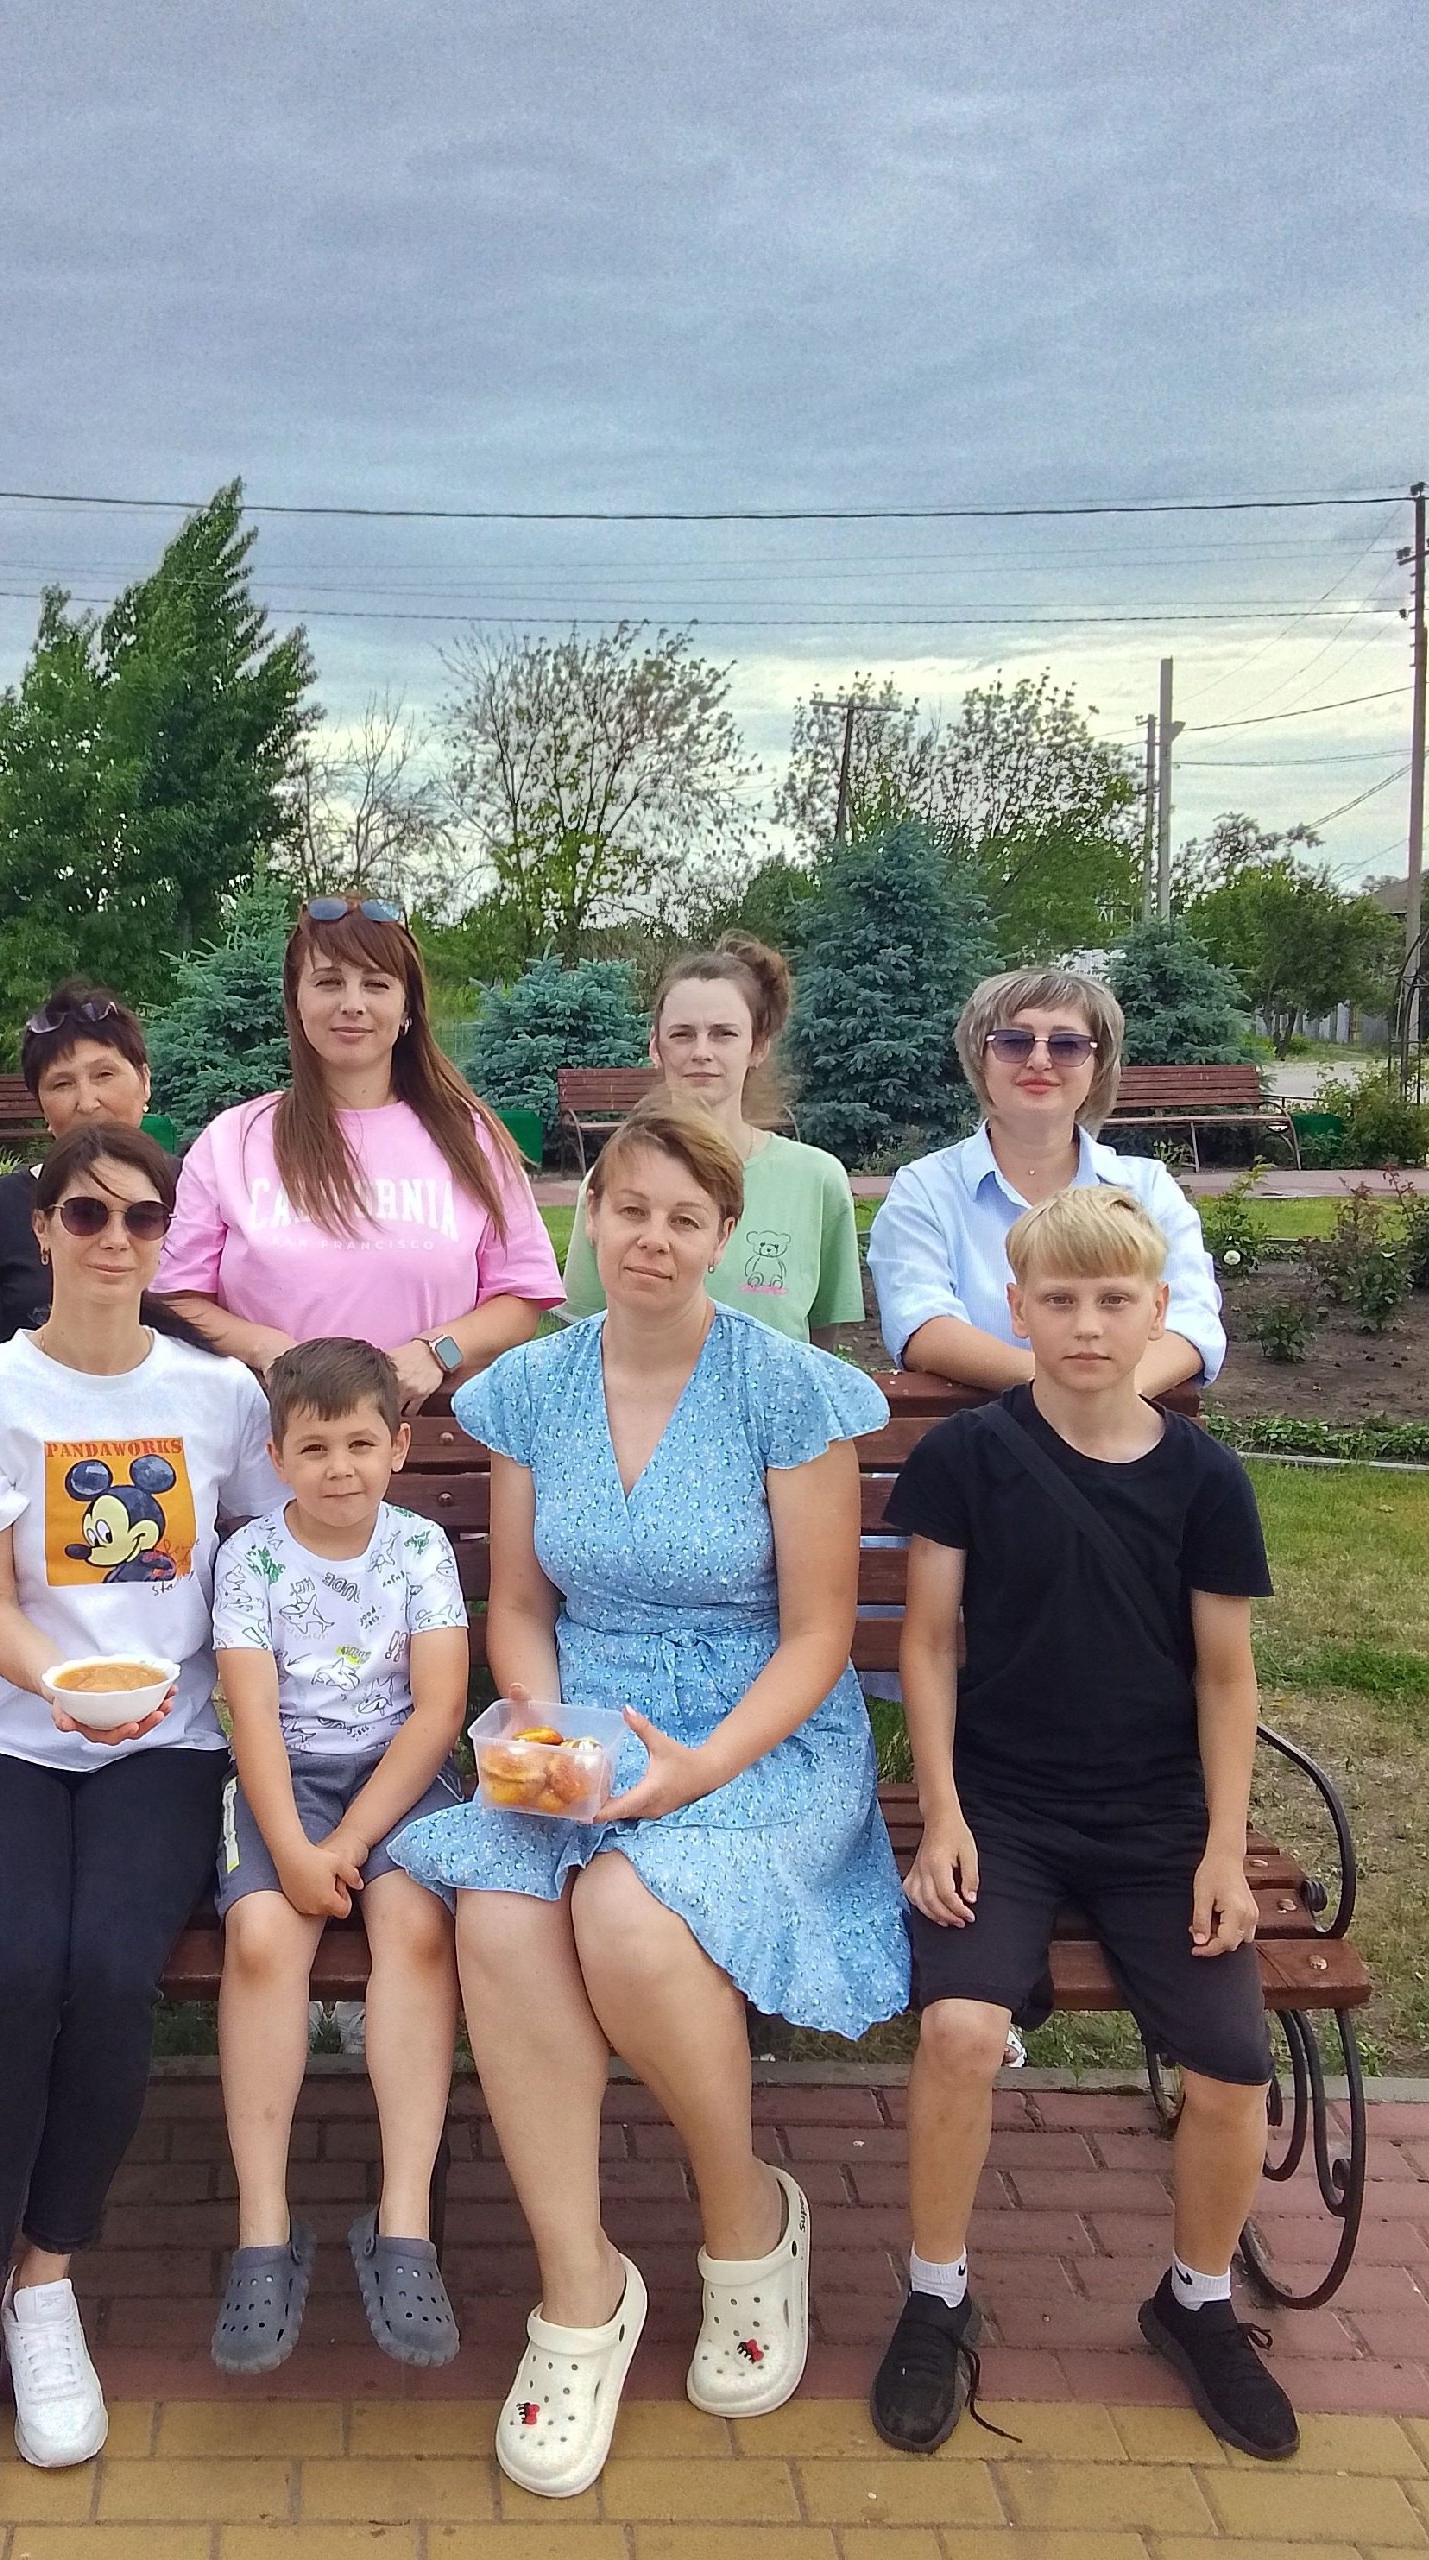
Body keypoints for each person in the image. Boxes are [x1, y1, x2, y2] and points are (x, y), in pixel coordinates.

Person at [394, 1096, 909, 2501]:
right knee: (502, 1916)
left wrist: (699, 1766)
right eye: (630, 1209)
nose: (654, 1240)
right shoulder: (534, 1389)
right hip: (584, 1723)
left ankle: (745, 2224)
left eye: (687, 1219)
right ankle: (581, 2293)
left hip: (754, 1736)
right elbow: (517, 1604)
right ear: (590, 1217)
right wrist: (537, 1724)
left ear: (725, 1236)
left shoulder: (783, 1388)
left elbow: (820, 1634)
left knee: (625, 1915)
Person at [872, 1186, 1293, 2462]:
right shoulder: (968, 1457)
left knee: (1230, 2066)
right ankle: (936, 2292)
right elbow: (927, 1643)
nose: (1088, 1324)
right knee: (959, 2028)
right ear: (1018, 1310)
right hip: (1003, 1802)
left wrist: (1222, 1849)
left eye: (1115, 1299)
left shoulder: (1203, 1478)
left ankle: (1195, 2300)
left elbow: (1225, 1676)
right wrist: (942, 1813)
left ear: (1158, 1309)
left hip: (1159, 1816)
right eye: (1059, 1299)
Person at [0, 1122, 282, 2514]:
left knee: (114, 1972)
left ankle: (46, 2281)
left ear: (165, 1236)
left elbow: (265, 1552)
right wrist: (62, 1685)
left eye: (139, 1217)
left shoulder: (218, 1396)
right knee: (22, 1969)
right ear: (42, 1228)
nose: (113, 1240)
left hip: (168, 1741)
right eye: (85, 1214)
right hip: (8, 1735)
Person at [209, 1337, 470, 2375]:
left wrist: (353, 1840)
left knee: (417, 1931)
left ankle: (401, 2220)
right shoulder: (250, 1558)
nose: (338, 1468)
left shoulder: (418, 1549)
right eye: (313, 1448)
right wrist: (290, 1846)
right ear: (275, 1455)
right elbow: (250, 1713)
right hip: (284, 1779)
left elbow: (439, 1710)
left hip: (399, 1776)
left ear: (398, 1445)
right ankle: (263, 2229)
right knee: (263, 1939)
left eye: (360, 1443)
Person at [157, 895, 562, 1406]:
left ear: (407, 1008)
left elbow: (523, 1295)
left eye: (376, 984)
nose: (353, 1003)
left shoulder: (471, 1138)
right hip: (268, 1436)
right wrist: (265, 1348)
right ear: (296, 1000)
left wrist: (437, 1351)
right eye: (329, 982)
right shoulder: (231, 1141)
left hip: (429, 1438)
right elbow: (175, 1296)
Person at [866, 968, 1223, 1393]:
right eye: (1014, 1042)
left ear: (1098, 1065)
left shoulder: (1147, 1188)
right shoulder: (925, 1189)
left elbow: (1191, 1322)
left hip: (1120, 1427)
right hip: (972, 1430)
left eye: (1067, 1045)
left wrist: (1109, 1400)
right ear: (980, 1059)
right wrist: (1062, 1391)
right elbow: (922, 1324)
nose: (1039, 1060)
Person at [560, 939, 863, 1346]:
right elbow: (581, 1332)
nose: (701, 1052)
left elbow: (821, 1344)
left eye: (723, 1034)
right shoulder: (613, 1179)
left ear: (757, 1046)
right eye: (682, 1035)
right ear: (655, 1047)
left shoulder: (817, 1180)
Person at [0, 981, 158, 1353]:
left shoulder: (199, 1192)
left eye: (104, 1075)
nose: (87, 1102)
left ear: (144, 1081)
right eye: (62, 1083)